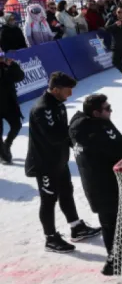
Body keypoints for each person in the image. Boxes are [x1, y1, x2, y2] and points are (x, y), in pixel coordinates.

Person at [25, 72, 101, 253]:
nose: (71, 94)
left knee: (67, 192)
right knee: (48, 199)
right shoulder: (42, 108)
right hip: (44, 164)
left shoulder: (58, 104)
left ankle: (76, 227)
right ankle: (50, 238)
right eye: (68, 90)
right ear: (56, 89)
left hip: (59, 160)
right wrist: (76, 127)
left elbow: (65, 135)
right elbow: (54, 136)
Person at [69, 94, 122, 275]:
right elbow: (120, 152)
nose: (111, 110)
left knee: (117, 222)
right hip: (104, 187)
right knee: (114, 224)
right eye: (107, 108)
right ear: (96, 113)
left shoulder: (87, 125)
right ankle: (114, 262)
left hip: (103, 185)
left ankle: (116, 257)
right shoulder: (94, 131)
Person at [0, 56, 24, 164]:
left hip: (9, 104)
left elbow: (20, 77)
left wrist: (13, 66)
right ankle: (3, 154)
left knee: (17, 125)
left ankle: (7, 144)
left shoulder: (6, 66)